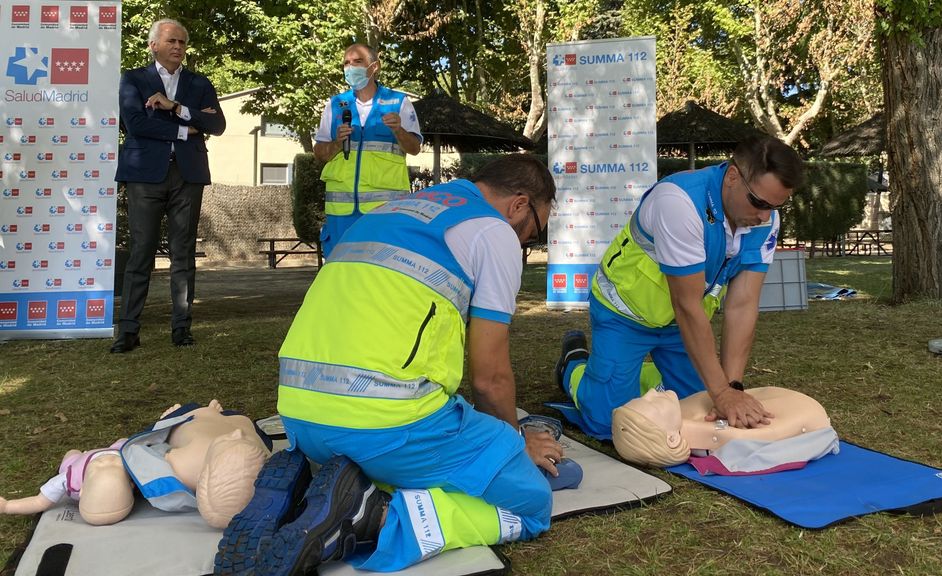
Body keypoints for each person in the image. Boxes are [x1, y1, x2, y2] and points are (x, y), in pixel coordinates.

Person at [215, 155, 561, 576]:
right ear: (520, 205)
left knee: (446, 431)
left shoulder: (391, 210)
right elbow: (489, 378)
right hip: (385, 423)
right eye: (532, 234)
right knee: (531, 501)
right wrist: (515, 447)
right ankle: (369, 519)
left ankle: (310, 488)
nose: (524, 244)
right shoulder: (493, 231)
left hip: (301, 418)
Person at [555, 135, 805, 438]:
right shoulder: (679, 202)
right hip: (624, 313)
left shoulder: (766, 218)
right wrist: (722, 393)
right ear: (733, 176)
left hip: (677, 326)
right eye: (758, 202)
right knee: (609, 426)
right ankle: (574, 367)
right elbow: (686, 305)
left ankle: (630, 376)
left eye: (777, 206)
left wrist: (732, 387)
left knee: (698, 412)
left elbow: (743, 304)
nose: (765, 216)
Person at [111, 18, 226, 353]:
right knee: (141, 253)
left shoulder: (199, 82)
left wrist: (175, 107)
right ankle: (128, 331)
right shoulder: (133, 80)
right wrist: (185, 127)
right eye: (172, 41)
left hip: (187, 175)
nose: (178, 47)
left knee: (183, 254)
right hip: (144, 174)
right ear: (153, 46)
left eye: (182, 43)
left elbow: (216, 124)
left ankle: (181, 329)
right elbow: (134, 124)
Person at [0, 400, 270, 529]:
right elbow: (147, 449)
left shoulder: (259, 448)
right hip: (191, 417)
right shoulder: (181, 465)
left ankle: (189, 413)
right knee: (165, 426)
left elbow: (158, 452)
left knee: (171, 426)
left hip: (217, 418)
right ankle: (177, 414)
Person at [312, 43, 422, 257]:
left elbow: (415, 148)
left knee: (382, 272)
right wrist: (336, 143)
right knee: (340, 273)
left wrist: (398, 129)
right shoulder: (335, 105)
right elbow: (319, 153)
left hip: (385, 211)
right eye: (346, 63)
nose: (350, 67)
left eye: (357, 61)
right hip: (341, 213)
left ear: (374, 67)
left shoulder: (399, 102)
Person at [612, 387, 838, 473]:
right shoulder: (706, 429)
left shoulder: (679, 414)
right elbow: (743, 432)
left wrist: (729, 392)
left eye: (645, 396)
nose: (651, 391)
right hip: (799, 409)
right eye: (653, 402)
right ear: (672, 438)